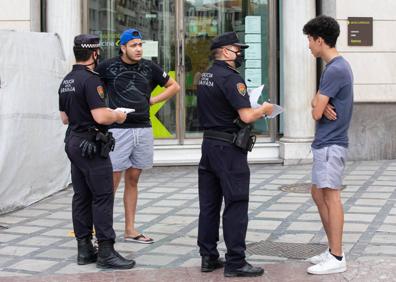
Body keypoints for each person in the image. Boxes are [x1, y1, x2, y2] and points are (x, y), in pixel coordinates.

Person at [196, 31, 274, 278]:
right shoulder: (232, 79)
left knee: (209, 205)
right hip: (228, 150)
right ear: (226, 51)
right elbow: (246, 116)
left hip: (209, 145)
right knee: (236, 203)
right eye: (237, 49)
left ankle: (208, 256)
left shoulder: (205, 75)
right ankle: (236, 262)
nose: (240, 54)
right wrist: (264, 109)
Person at [58, 34, 135, 269]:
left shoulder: (67, 80)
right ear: (94, 53)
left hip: (73, 141)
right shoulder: (92, 80)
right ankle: (106, 251)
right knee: (102, 196)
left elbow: (65, 118)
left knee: (81, 196)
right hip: (91, 145)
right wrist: (118, 115)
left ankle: (84, 249)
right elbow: (101, 116)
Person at [96, 28, 180, 243]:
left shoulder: (149, 67)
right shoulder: (107, 67)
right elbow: (93, 89)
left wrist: (153, 100)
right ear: (123, 47)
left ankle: (130, 229)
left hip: (143, 128)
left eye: (140, 45)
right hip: (117, 131)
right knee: (110, 182)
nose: (138, 49)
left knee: (133, 179)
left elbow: (174, 86)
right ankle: (101, 232)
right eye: (134, 45)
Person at [303, 15, 353, 275]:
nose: (309, 46)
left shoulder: (335, 69)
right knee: (317, 193)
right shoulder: (333, 68)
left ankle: (336, 255)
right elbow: (315, 104)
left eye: (310, 40)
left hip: (331, 143)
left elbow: (314, 111)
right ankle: (332, 249)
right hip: (326, 142)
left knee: (331, 195)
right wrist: (319, 105)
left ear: (320, 40)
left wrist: (319, 106)